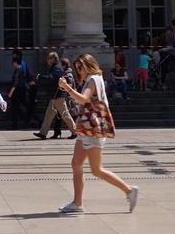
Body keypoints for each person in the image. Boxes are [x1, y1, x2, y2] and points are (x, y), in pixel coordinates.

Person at [60, 54, 137, 215]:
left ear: (88, 66)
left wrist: (67, 88)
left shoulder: (93, 79)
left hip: (92, 129)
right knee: (76, 163)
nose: (78, 72)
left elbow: (83, 99)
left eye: (80, 68)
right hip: (87, 128)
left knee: (96, 170)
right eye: (77, 69)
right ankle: (77, 202)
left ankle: (129, 190)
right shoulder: (96, 79)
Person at [33, 51, 74, 139]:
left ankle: (75, 131)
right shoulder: (54, 67)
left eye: (49, 58)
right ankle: (43, 133)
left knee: (65, 114)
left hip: (58, 95)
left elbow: (51, 78)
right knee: (49, 115)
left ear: (54, 59)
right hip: (54, 95)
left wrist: (40, 77)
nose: (47, 60)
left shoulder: (57, 68)